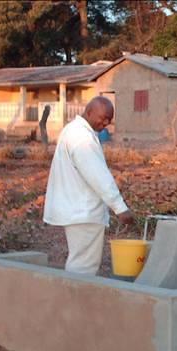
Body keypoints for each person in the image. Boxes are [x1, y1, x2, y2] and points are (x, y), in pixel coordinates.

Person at [43, 96, 134, 275]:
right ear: (89, 111)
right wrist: (120, 208)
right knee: (83, 267)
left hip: (76, 208)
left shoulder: (73, 130)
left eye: (109, 119)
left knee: (79, 261)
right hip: (83, 211)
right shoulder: (82, 138)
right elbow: (98, 176)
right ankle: (76, 301)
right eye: (103, 117)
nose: (106, 122)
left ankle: (73, 298)